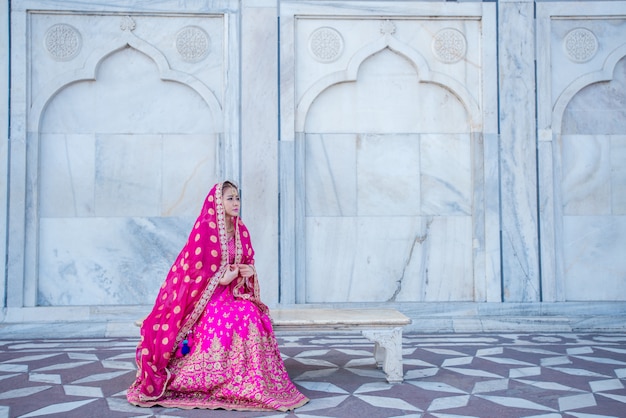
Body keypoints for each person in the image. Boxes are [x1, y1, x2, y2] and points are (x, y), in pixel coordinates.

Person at [126, 181, 309, 411]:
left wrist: (248, 272)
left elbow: (247, 262)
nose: (236, 203)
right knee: (226, 320)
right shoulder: (205, 231)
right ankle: (214, 378)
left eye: (237, 198)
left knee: (251, 314)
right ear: (217, 203)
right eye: (230, 198)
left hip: (233, 293)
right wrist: (219, 280)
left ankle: (251, 379)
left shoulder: (241, 231)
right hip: (207, 298)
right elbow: (192, 271)